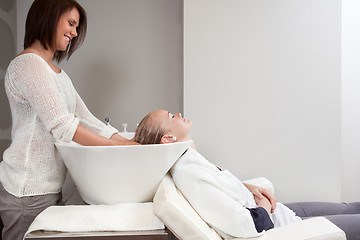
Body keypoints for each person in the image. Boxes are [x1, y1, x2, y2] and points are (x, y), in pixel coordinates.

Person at [0, 1, 137, 239]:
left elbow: (87, 120)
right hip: (26, 191)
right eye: (71, 23)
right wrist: (120, 147)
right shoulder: (27, 65)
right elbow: (63, 126)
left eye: (76, 26)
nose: (74, 32)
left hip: (48, 190)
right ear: (48, 18)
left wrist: (132, 140)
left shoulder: (58, 74)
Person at [135, 109, 360, 240]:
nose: (178, 113)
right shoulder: (189, 173)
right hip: (286, 228)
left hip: (281, 212)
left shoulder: (189, 160)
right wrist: (261, 205)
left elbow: (220, 186)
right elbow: (244, 226)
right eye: (171, 117)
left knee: (353, 207)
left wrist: (248, 188)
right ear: (168, 139)